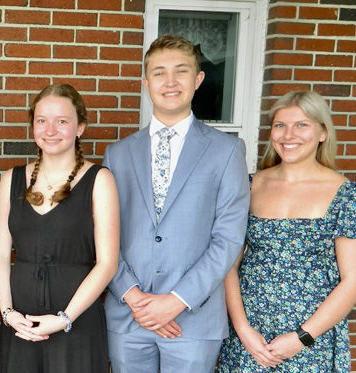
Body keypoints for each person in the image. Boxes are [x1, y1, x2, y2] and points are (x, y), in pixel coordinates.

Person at [102, 34, 250, 373]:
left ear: (198, 80)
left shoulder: (226, 151)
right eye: (159, 72)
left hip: (193, 319)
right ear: (145, 82)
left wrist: (175, 301)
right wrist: (136, 300)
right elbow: (104, 233)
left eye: (181, 71)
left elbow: (228, 238)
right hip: (129, 316)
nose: (170, 82)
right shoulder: (118, 153)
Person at [217, 91, 356, 372]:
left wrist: (302, 337)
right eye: (280, 125)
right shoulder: (248, 186)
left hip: (311, 338)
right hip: (249, 336)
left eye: (301, 125)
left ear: (322, 133)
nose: (288, 135)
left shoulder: (348, 196)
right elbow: (228, 265)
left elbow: (353, 282)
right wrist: (242, 330)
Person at [0, 83, 119, 372]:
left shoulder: (100, 180)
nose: (50, 130)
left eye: (62, 121)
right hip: (21, 321)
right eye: (41, 121)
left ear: (80, 127)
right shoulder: (10, 180)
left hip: (77, 319)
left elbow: (108, 263)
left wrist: (64, 318)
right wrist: (8, 312)